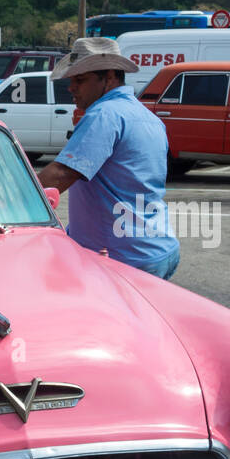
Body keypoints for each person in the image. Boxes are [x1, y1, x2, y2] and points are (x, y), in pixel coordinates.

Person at [38, 37, 180, 279]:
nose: (72, 87)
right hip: (158, 248)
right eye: (71, 80)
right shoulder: (148, 118)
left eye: (80, 80)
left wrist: (14, 199)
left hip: (123, 257)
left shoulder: (104, 114)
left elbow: (61, 174)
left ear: (111, 76)